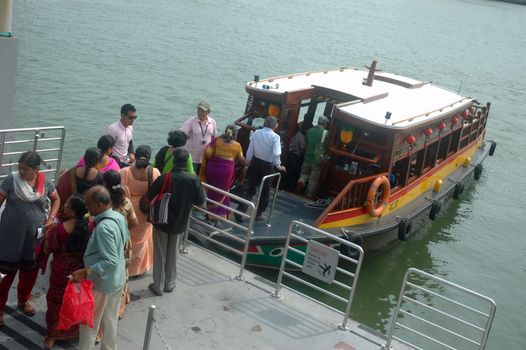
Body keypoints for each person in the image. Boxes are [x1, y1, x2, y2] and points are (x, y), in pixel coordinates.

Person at [0, 151, 60, 326]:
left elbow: (56, 200)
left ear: (36, 169)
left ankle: (23, 299)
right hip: (10, 235)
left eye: (25, 169)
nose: (21, 171)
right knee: (5, 273)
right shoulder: (11, 181)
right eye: (19, 167)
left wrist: (50, 219)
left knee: (29, 272)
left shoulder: (46, 183)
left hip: (34, 236)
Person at [71, 186, 128, 350]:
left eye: (89, 205)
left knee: (89, 325)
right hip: (117, 279)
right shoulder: (118, 216)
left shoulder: (104, 228)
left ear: (99, 204)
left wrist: (85, 271)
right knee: (110, 320)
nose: (87, 208)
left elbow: (110, 260)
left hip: (102, 284)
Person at [146, 148, 205, 296]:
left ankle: (158, 286)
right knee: (173, 254)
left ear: (173, 161)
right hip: (180, 223)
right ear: (187, 162)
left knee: (160, 254)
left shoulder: (165, 177)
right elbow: (200, 202)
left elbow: (149, 196)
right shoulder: (193, 179)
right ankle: (169, 284)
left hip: (161, 221)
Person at [44, 194, 93, 349]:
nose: (63, 206)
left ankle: (53, 334)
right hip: (80, 270)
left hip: (61, 270)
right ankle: (74, 330)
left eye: (67, 206)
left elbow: (48, 248)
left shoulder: (60, 229)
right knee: (76, 299)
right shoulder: (90, 226)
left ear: (72, 212)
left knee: (56, 301)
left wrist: (47, 232)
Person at [120, 145, 160, 277]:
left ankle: (125, 267)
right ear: (149, 158)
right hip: (146, 211)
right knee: (143, 239)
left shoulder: (124, 172)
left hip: (128, 211)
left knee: (128, 238)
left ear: (135, 156)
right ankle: (138, 269)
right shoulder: (154, 173)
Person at [235, 116, 286, 222]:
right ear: (274, 125)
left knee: (249, 189)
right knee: (265, 191)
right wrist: (278, 165)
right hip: (267, 166)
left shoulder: (257, 133)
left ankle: (240, 211)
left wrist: (246, 165)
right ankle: (259, 213)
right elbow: (277, 153)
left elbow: (250, 150)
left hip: (254, 163)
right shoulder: (275, 137)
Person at [102, 170, 137, 320]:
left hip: (107, 243)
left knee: (109, 274)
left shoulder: (103, 203)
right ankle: (124, 300)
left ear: (105, 184)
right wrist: (123, 232)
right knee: (123, 271)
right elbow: (134, 222)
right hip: (124, 243)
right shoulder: (126, 201)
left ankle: (116, 306)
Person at [199, 125, 244, 224]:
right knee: (222, 192)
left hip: (211, 170)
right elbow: (241, 160)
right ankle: (217, 216)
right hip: (225, 173)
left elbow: (207, 152)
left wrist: (215, 159)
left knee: (211, 191)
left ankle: (209, 214)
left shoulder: (216, 140)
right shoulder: (237, 145)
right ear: (235, 135)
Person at [56, 147, 103, 216]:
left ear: (84, 158)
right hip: (90, 214)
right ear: (98, 162)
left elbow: (61, 184)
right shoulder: (100, 176)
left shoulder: (72, 172)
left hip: (71, 212)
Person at [296, 116, 329, 198]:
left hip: (307, 157)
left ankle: (301, 182)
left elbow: (304, 145)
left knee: (303, 175)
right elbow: (327, 146)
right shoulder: (326, 133)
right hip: (317, 159)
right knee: (313, 180)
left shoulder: (310, 130)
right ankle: (308, 195)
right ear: (325, 124)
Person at [180, 101, 217, 173]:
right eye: (199, 110)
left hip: (204, 158)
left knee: (200, 180)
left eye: (203, 111)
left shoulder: (212, 122)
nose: (200, 112)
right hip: (191, 158)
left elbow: (213, 136)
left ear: (208, 112)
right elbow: (182, 135)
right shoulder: (191, 121)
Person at [106, 103, 137, 167]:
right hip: (115, 161)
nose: (133, 120)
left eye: (135, 117)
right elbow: (107, 148)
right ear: (123, 115)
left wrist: (131, 154)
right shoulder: (113, 129)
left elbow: (130, 142)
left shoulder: (130, 128)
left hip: (126, 160)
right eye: (131, 117)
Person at [283, 122, 306, 190]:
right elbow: (302, 147)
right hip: (295, 157)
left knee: (287, 171)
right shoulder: (300, 136)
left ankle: (284, 185)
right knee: (292, 173)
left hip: (290, 154)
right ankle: (289, 187)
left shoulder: (293, 134)